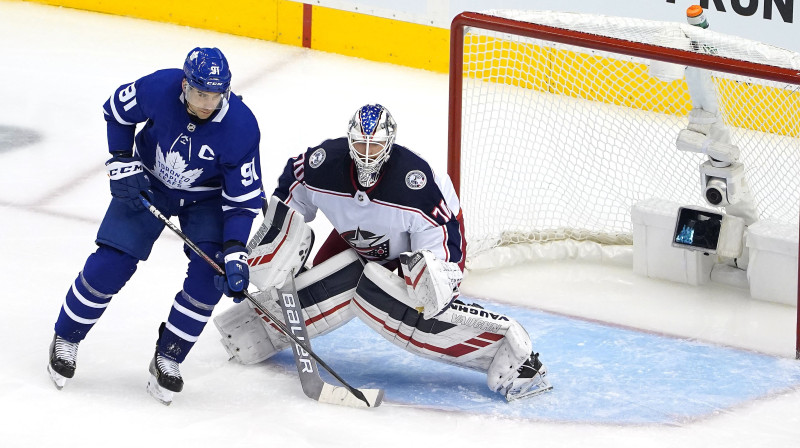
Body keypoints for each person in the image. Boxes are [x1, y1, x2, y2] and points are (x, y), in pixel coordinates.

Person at [214, 104, 552, 402]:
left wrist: (437, 284)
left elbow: (444, 234)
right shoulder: (323, 165)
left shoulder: (415, 185)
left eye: (374, 145)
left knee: (401, 305)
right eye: (359, 144)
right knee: (327, 285)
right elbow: (291, 188)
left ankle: (516, 359)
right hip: (357, 240)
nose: (366, 153)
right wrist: (266, 253)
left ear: (389, 145)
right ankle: (250, 333)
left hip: (414, 247)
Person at [47, 47, 263, 405]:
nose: (208, 104)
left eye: (215, 95)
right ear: (184, 85)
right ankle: (66, 337)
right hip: (148, 183)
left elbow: (241, 201)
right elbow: (115, 110)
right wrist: (120, 160)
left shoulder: (241, 126)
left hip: (205, 200)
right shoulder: (159, 88)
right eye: (199, 94)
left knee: (210, 276)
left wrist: (236, 250)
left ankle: (169, 356)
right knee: (111, 263)